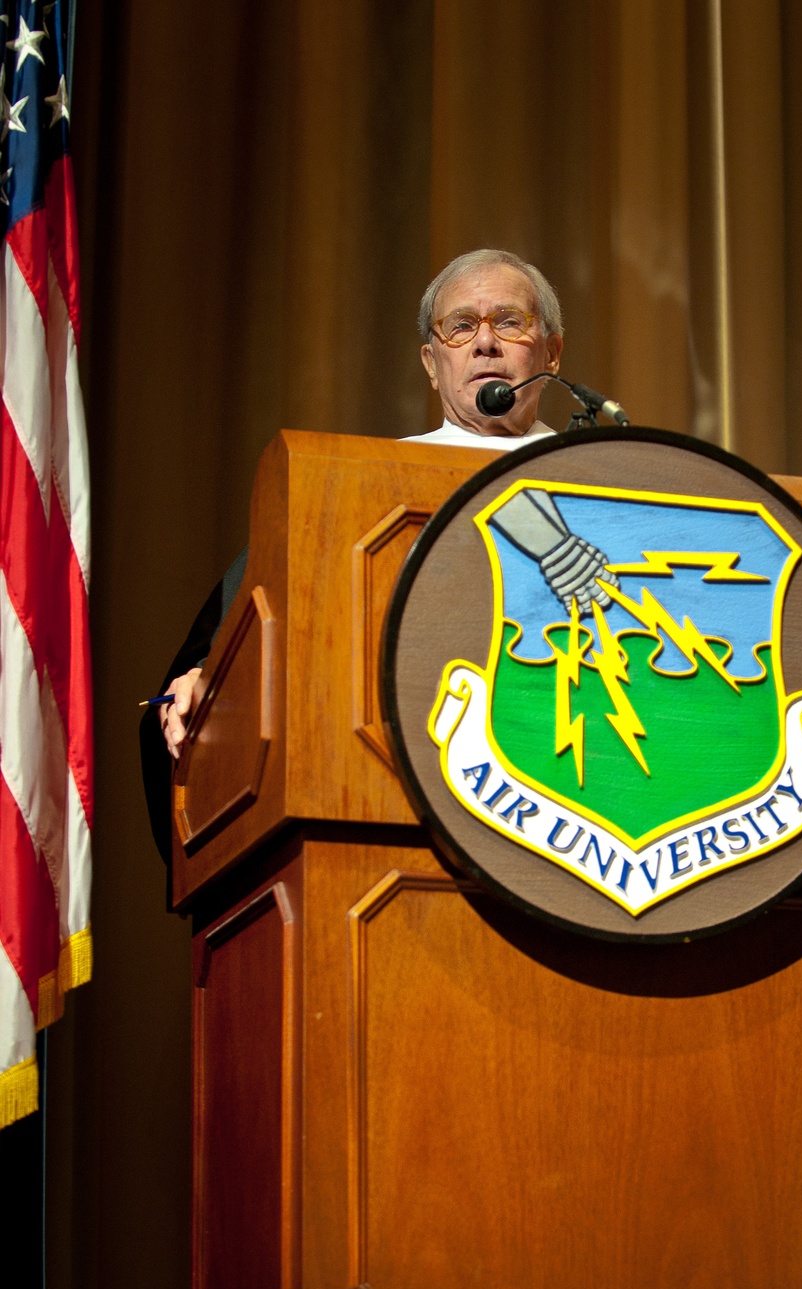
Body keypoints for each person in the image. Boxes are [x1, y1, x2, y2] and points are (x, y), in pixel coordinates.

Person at [141, 249, 565, 861]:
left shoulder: (611, 486)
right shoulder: (360, 491)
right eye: (460, 326)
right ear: (431, 362)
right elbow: (256, 620)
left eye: (509, 322)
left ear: (552, 352)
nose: (484, 344)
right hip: (390, 814)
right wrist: (212, 677)